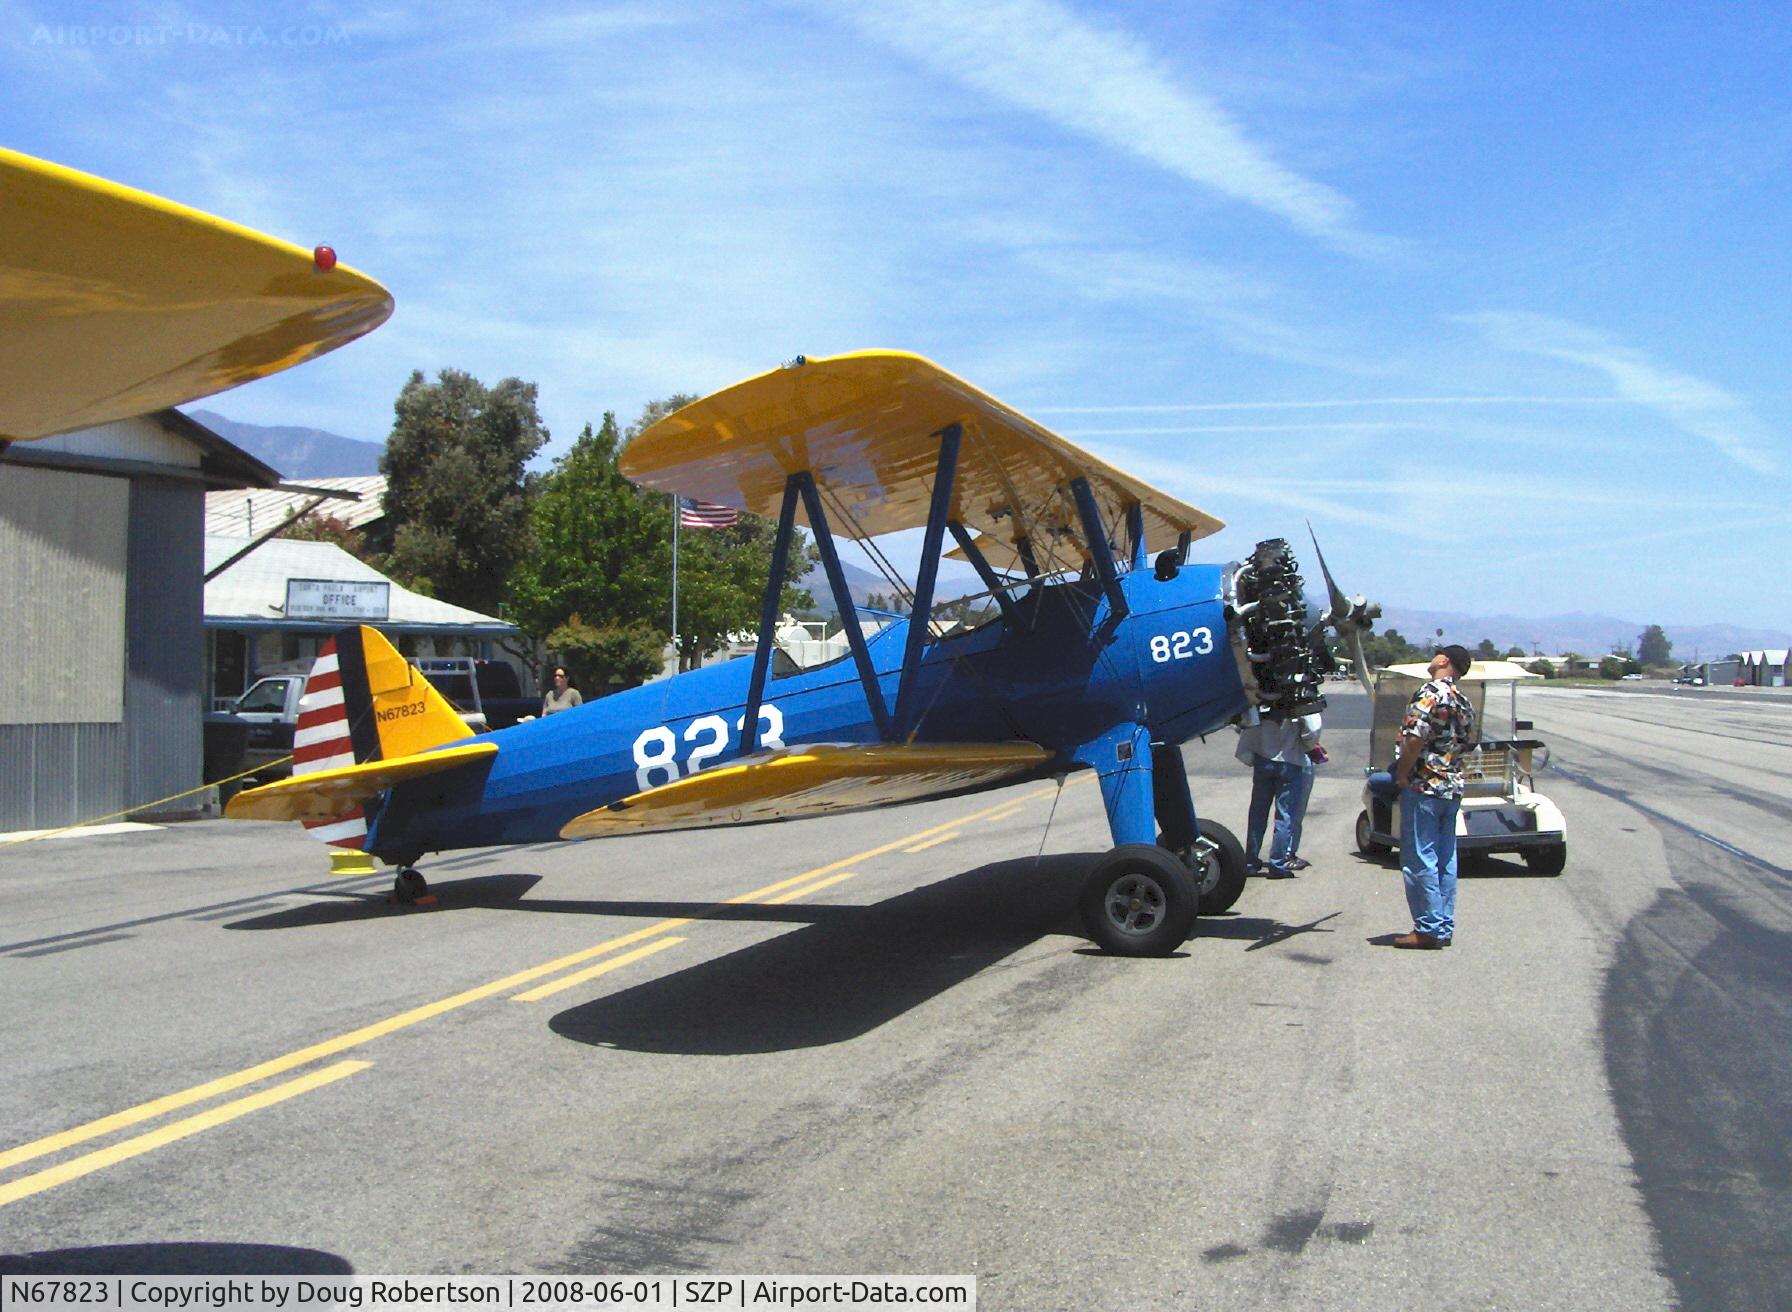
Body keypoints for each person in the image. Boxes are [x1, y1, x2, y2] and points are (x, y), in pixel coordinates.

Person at [1390, 645, 1478, 949]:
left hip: (1424, 785)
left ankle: (1427, 928)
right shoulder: (1463, 701)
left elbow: (1415, 737)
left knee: (1419, 858)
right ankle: (1443, 925)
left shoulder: (1430, 693)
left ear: (1444, 661)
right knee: (1445, 859)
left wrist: (1403, 772)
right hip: (1451, 787)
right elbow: (1469, 742)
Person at [1235, 707, 1324, 878]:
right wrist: (1307, 745)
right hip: (1290, 760)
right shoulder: (1299, 697)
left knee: (1257, 813)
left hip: (1263, 759)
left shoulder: (1260, 699)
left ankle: (1251, 862)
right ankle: (1277, 864)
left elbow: (1241, 724)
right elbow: (1312, 730)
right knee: (1285, 814)